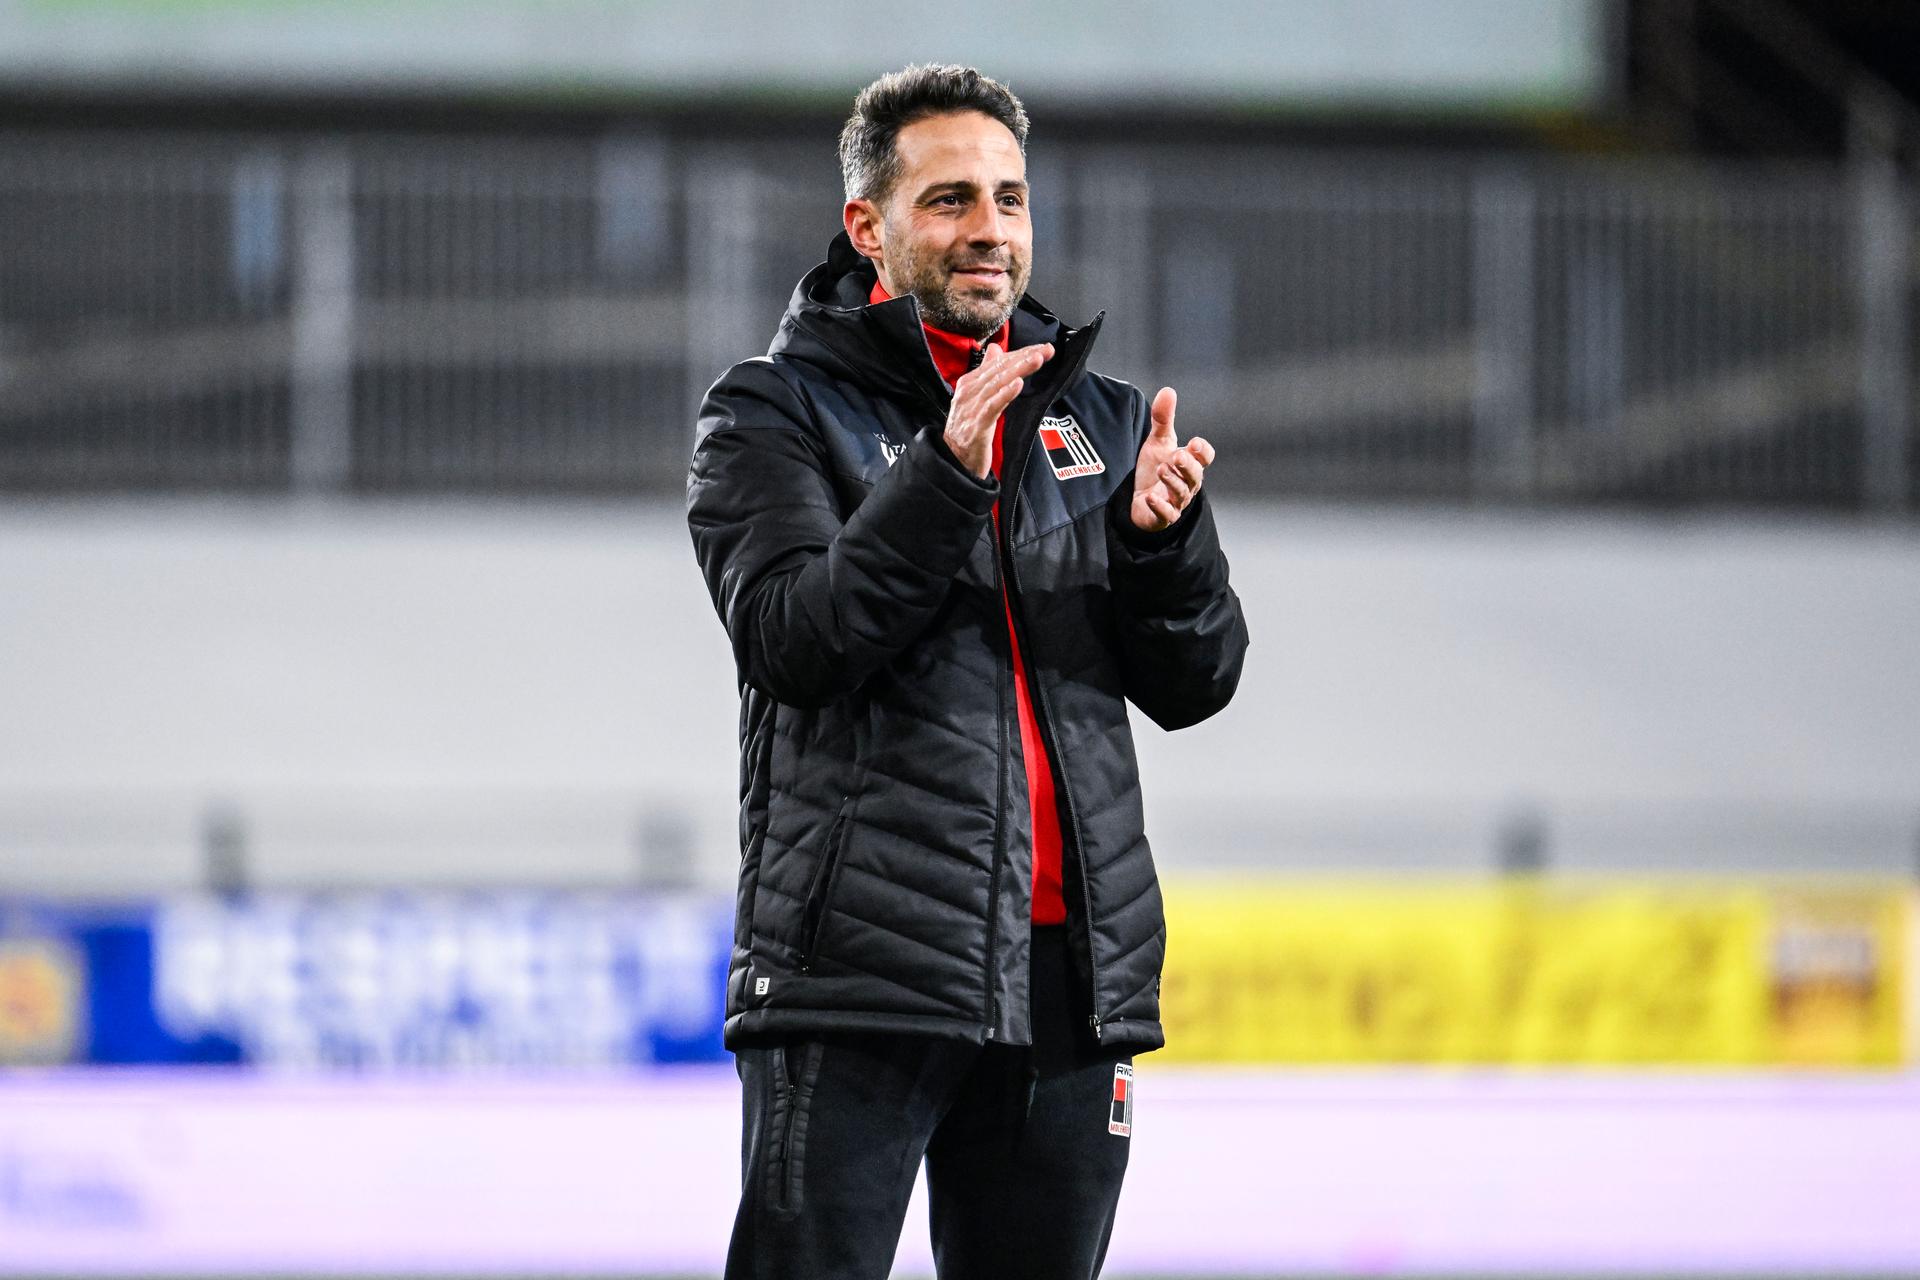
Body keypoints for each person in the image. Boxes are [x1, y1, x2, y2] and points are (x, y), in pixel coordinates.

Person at [687, 63, 1249, 1280]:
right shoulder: (770, 414)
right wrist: (943, 473)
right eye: (948, 200)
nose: (989, 229)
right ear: (869, 228)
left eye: (1009, 198)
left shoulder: (1096, 420)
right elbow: (796, 639)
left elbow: (1198, 680)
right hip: (860, 972)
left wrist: (1162, 547)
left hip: (1068, 982)